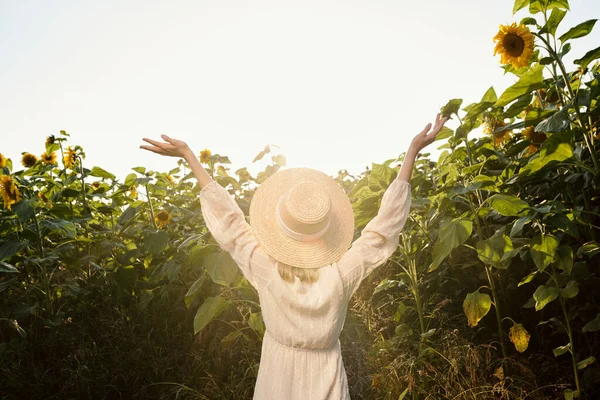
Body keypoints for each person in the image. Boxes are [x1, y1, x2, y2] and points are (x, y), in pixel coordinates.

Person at [140, 113, 448, 399]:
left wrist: (189, 156)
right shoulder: (341, 274)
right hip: (326, 378)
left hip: (277, 377)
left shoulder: (266, 268)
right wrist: (412, 152)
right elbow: (381, 231)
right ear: (326, 231)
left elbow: (231, 224)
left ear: (282, 230)